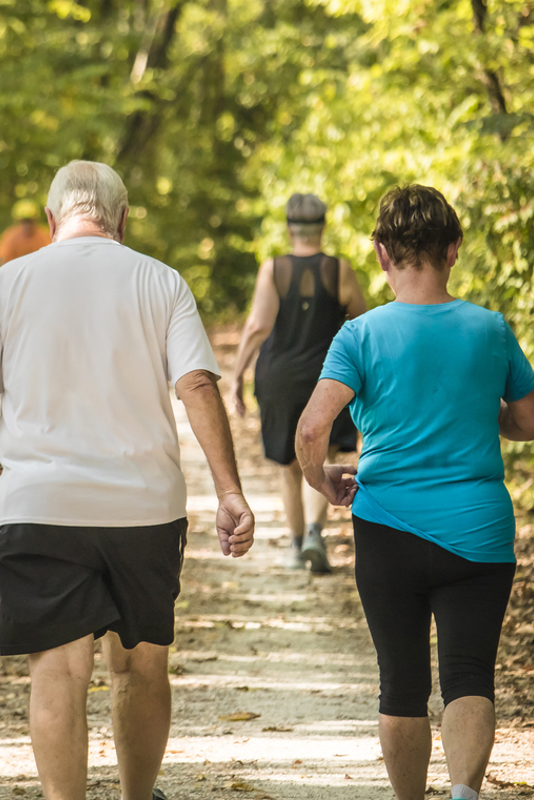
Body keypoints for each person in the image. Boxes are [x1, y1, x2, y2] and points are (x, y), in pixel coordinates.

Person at [0, 160, 255, 800]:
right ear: (123, 218)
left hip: (40, 507)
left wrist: (2, 466)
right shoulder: (161, 280)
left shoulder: (11, 281)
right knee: (140, 669)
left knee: (57, 676)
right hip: (142, 509)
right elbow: (195, 383)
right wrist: (229, 490)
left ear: (53, 220)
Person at [295, 184, 534, 800]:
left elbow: (311, 429)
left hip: (387, 525)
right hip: (478, 528)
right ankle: (462, 793)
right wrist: (489, 418)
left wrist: (322, 482)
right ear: (453, 249)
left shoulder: (359, 335)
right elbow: (528, 422)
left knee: (401, 681)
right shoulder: (490, 328)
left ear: (380, 254)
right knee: (470, 675)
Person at [229, 193, 366, 572]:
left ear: (290, 229)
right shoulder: (340, 270)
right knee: (324, 457)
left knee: (289, 464)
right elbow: (362, 322)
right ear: (322, 228)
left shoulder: (273, 269)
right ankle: (314, 536)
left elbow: (257, 326)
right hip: (329, 377)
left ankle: (294, 547)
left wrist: (237, 374)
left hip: (280, 378)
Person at [0, 199, 51, 268]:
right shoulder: (10, 237)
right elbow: (1, 261)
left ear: (36, 220)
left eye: (30, 221)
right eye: (24, 221)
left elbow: (52, 257)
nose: (27, 225)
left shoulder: (44, 235)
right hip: (15, 274)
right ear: (17, 222)